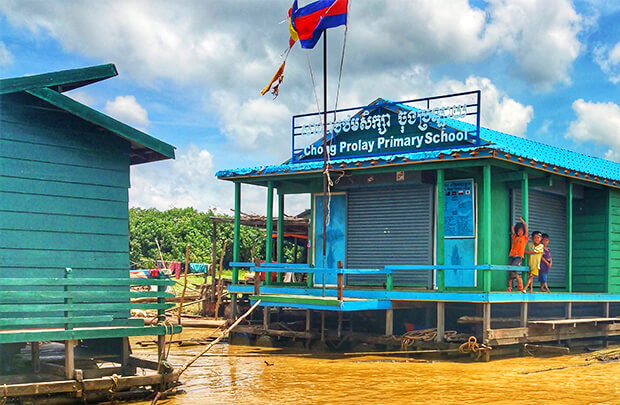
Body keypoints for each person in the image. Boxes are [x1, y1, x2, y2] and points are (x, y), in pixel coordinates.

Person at [507, 216, 528, 292]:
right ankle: (510, 287)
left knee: (512, 267)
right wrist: (514, 226)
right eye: (518, 231)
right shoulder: (515, 236)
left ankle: (519, 280)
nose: (520, 232)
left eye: (521, 231)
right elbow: (513, 229)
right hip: (512, 255)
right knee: (509, 270)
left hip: (519, 256)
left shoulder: (524, 237)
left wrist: (522, 220)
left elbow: (525, 226)